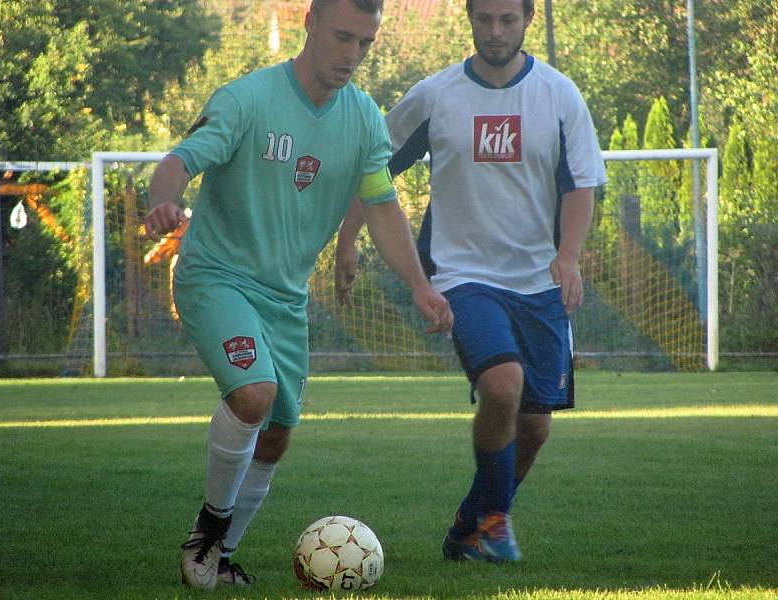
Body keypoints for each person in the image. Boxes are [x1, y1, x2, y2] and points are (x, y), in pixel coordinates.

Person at [145, 0, 453, 589]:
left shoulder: (363, 118)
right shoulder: (248, 100)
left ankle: (221, 555)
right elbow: (178, 163)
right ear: (309, 22)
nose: (352, 55)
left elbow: (383, 207)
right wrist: (163, 199)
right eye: (342, 37)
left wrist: (420, 286)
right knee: (254, 395)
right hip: (217, 278)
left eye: (365, 43)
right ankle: (206, 533)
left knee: (278, 432)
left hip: (286, 301)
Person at [335, 0, 606, 563]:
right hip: (463, 275)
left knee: (534, 429)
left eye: (508, 19)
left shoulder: (559, 96)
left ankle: (468, 526)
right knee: (502, 386)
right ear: (470, 19)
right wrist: (347, 239)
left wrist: (570, 255)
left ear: (528, 19)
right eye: (486, 19)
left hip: (538, 283)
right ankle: (495, 520)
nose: (496, 31)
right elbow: (374, 166)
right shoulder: (436, 96)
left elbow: (581, 185)